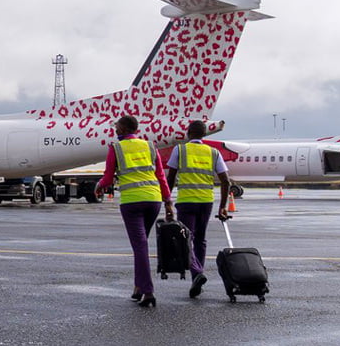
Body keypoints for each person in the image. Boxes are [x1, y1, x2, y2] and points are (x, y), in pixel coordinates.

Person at [95, 115, 173, 308]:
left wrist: (98, 186)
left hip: (132, 203)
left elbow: (108, 177)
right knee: (141, 246)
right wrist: (168, 201)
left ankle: (148, 291)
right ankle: (139, 287)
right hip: (153, 200)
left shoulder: (116, 148)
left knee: (140, 247)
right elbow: (161, 175)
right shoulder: (149, 146)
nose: (115, 130)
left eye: (117, 127)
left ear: (123, 129)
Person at [165, 120, 235, 298]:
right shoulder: (213, 152)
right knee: (201, 240)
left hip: (186, 201)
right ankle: (198, 277)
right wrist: (222, 207)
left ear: (188, 133)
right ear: (204, 135)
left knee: (185, 240)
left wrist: (167, 200)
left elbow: (170, 177)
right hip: (206, 202)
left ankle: (197, 273)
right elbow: (226, 180)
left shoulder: (179, 150)